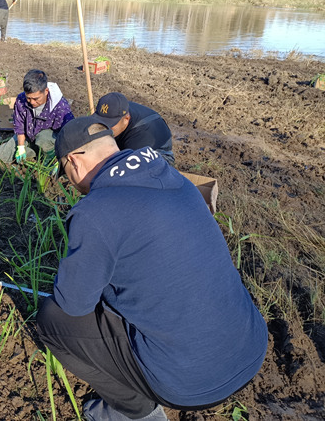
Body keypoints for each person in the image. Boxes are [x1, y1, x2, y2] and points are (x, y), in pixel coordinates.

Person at [37, 116, 268, 421]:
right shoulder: (176, 180)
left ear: (74, 162)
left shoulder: (95, 212)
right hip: (250, 347)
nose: (70, 183)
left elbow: (74, 304)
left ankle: (138, 412)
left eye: (66, 174)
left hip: (189, 384)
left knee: (52, 318)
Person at [0, 69, 74, 164]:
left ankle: (48, 159)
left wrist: (61, 160)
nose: (32, 102)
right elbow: (19, 125)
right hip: (29, 134)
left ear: (46, 91)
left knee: (43, 140)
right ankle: (35, 151)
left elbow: (69, 134)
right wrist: (20, 147)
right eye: (29, 98)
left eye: (36, 99)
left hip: (49, 139)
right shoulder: (21, 100)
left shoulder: (60, 107)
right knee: (2, 154)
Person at [92, 92, 175, 165]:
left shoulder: (141, 136)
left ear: (126, 119)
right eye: (102, 121)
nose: (105, 127)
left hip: (159, 153)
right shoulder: (116, 108)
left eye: (110, 124)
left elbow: (123, 169)